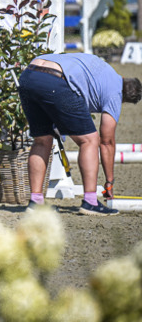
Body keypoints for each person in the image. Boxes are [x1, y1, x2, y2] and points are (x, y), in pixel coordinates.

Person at [17, 52, 142, 215]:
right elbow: (107, 142)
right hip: (55, 80)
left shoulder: (105, 69)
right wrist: (109, 181)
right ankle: (90, 202)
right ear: (126, 98)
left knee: (42, 140)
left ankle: (36, 202)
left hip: (29, 75)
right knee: (90, 140)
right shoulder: (115, 94)